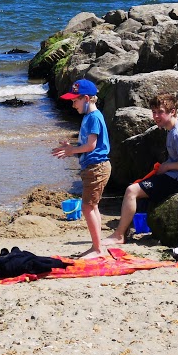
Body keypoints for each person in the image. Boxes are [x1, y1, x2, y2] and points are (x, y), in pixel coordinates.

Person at [114, 92, 178, 242]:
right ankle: (132, 227)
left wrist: (167, 167)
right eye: (154, 112)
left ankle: (119, 235)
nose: (155, 116)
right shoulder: (173, 127)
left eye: (160, 112)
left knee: (131, 191)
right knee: (138, 186)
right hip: (177, 176)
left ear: (172, 111)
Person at [52, 78, 112, 258]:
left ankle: (97, 249)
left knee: (87, 207)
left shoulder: (94, 117)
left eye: (74, 100)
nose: (72, 105)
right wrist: (70, 146)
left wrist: (72, 150)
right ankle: (98, 245)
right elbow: (85, 145)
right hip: (93, 166)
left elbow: (91, 146)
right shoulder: (88, 117)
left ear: (86, 98)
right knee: (93, 207)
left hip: (97, 167)